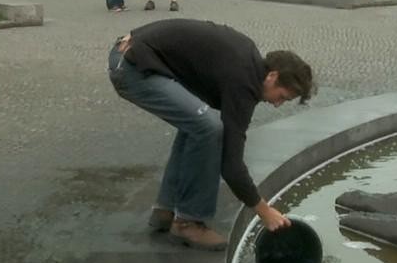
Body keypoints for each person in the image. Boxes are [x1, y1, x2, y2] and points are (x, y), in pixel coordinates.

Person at [107, 19, 315, 250]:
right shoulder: (243, 81)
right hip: (131, 67)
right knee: (209, 127)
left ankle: (167, 209)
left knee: (198, 124)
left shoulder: (248, 64)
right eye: (282, 96)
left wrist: (136, 36)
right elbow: (231, 164)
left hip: (132, 55)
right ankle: (188, 222)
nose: (278, 105)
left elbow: (183, 29)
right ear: (273, 76)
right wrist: (264, 211)